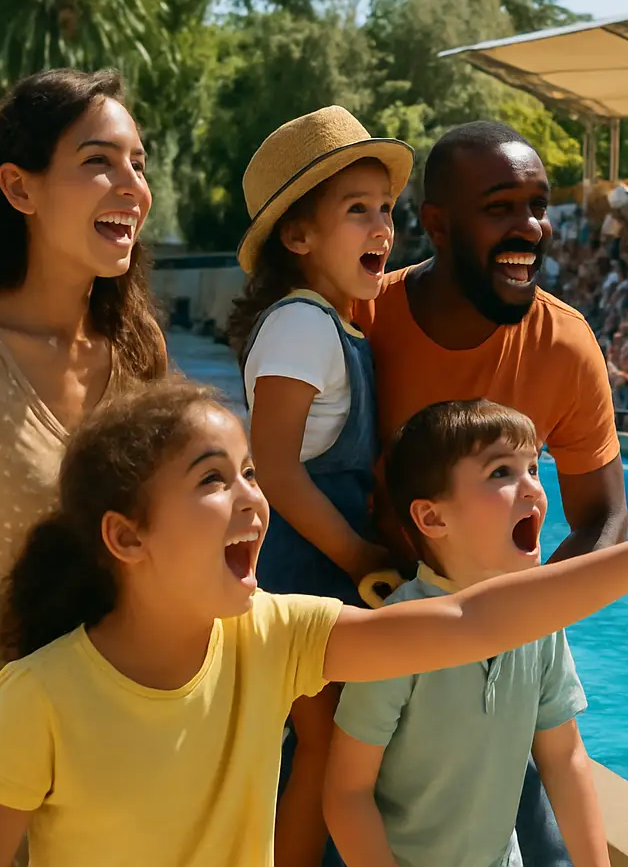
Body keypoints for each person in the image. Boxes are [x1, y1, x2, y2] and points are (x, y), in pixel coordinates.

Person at [0, 381, 628, 866]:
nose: (253, 501)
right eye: (212, 481)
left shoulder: (275, 634)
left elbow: (466, 618)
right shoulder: (36, 702)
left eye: (249, 473)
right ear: (125, 537)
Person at [0, 69, 165, 865]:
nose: (132, 187)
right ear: (19, 188)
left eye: (139, 164)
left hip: (112, 749)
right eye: (99, 162)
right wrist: (6, 752)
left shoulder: (139, 355)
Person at [353, 122, 627, 864]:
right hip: (371, 639)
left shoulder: (566, 344)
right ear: (437, 224)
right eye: (501, 206)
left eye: (538, 205)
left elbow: (603, 517)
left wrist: (518, 619)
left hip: (501, 659)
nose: (529, 227)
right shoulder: (363, 319)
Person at [225, 107, 412, 867]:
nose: (382, 227)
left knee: (327, 745)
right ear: (298, 238)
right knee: (326, 743)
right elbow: (272, 467)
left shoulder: (334, 324)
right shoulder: (302, 327)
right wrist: (362, 552)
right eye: (357, 210)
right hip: (302, 576)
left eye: (387, 210)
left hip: (322, 577)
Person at [325, 399, 605, 867]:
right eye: (502, 473)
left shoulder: (538, 622)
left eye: (534, 468)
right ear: (433, 518)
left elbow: (565, 758)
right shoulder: (399, 636)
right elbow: (346, 793)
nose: (533, 488)